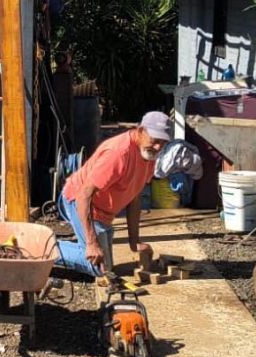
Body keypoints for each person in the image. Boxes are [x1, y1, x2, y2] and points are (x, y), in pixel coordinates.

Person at [57, 111, 172, 275]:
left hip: (103, 212)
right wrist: (91, 243)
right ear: (140, 131)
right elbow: (84, 195)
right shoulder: (118, 154)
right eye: (155, 140)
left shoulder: (149, 155)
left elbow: (135, 197)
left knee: (105, 264)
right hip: (80, 201)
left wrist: (134, 242)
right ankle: (39, 247)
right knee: (98, 266)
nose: (158, 147)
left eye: (163, 143)